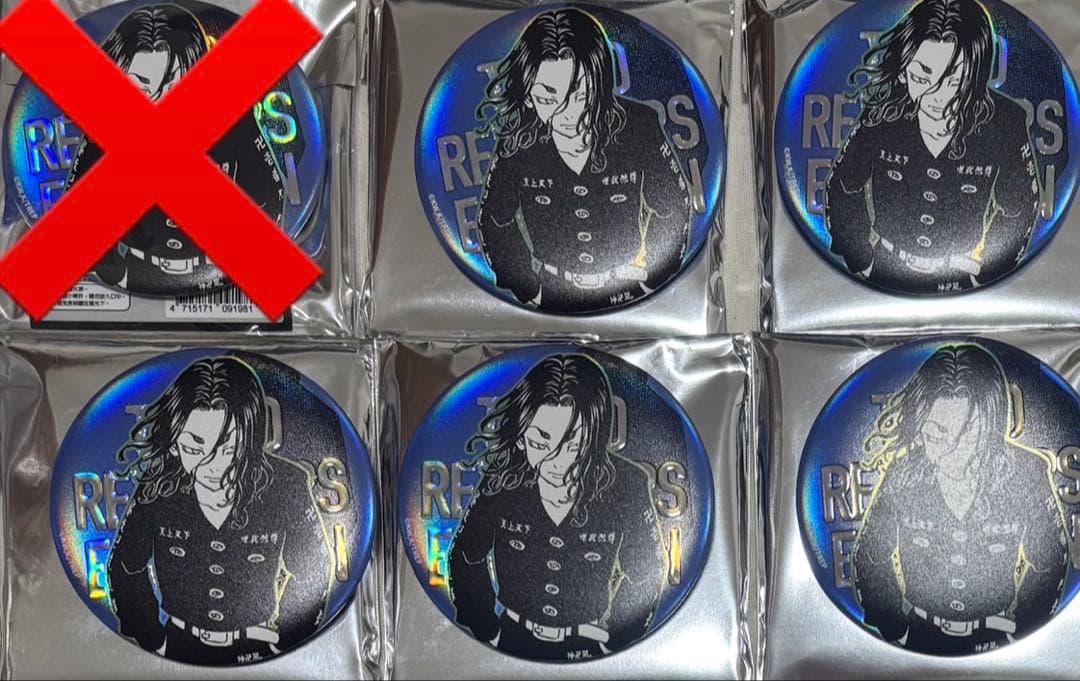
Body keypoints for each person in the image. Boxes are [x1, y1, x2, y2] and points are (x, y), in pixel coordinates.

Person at [107, 357, 333, 665]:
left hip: (262, 651)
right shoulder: (158, 485)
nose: (213, 466)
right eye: (195, 448)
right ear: (174, 441)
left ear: (250, 439)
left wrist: (287, 642)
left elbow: (315, 567)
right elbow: (124, 566)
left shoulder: (285, 482)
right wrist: (151, 638)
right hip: (175, 650)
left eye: (228, 448)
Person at [852, 344, 1068, 654]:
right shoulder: (903, 474)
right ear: (920, 426)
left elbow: (1050, 563)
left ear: (991, 425)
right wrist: (893, 629)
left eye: (967, 432)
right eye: (938, 433)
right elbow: (871, 557)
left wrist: (1025, 629)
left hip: (1002, 645)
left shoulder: (1026, 472)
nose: (953, 451)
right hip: (916, 640)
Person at [448, 354, 665, 662]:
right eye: (541, 443)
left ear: (595, 439)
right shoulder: (502, 480)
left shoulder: (627, 484)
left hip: (594, 650)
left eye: (573, 446)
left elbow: (647, 570)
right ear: (521, 436)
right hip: (509, 643)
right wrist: (485, 630)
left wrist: (616, 641)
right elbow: (465, 556)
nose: (557, 462)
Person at [475, 7, 691, 312]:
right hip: (550, 296)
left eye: (579, 94)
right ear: (528, 94)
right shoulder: (517, 139)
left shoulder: (639, 124)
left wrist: (654, 280)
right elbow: (495, 220)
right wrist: (527, 289)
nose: (568, 114)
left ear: (600, 85)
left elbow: (673, 206)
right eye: (548, 98)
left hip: (633, 294)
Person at [825, 0, 1041, 294]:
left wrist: (989, 273)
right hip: (882, 274)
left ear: (976, 75)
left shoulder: (1004, 121)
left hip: (965, 283)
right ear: (903, 70)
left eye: (954, 79)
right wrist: (859, 259)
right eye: (922, 76)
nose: (937, 95)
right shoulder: (881, 114)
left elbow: (1020, 206)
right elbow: (843, 186)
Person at [67, 3, 283, 294]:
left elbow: (270, 202)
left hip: (229, 278)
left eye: (175, 89)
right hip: (127, 277)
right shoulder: (100, 137)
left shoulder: (235, 124)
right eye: (142, 88)